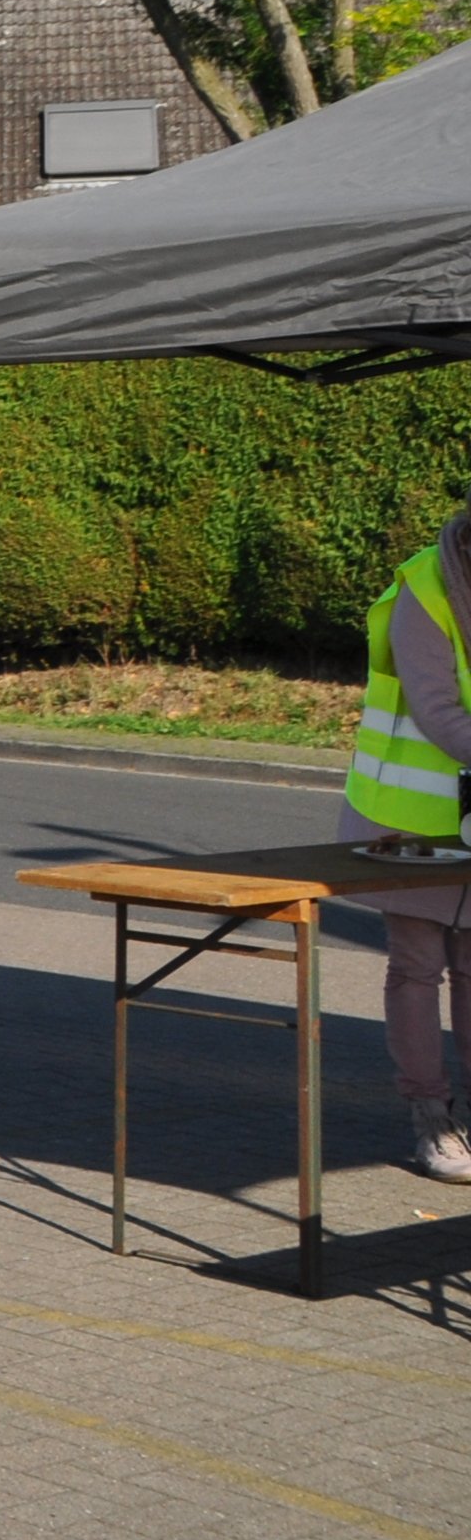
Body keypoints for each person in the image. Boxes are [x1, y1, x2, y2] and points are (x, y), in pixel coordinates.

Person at [340, 496, 471, 1182]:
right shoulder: (427, 584)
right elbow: (437, 707)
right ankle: (431, 1116)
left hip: (467, 811)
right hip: (406, 816)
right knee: (419, 963)